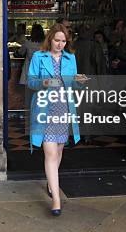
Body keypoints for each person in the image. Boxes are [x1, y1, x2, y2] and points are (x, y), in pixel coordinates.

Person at [27, 23, 88, 216]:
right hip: (45, 109)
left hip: (64, 109)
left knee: (59, 150)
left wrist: (80, 82)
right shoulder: (39, 57)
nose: (60, 44)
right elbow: (30, 82)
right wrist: (43, 82)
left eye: (63, 41)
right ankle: (56, 199)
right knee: (51, 153)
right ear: (50, 39)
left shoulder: (71, 58)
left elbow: (73, 87)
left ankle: (50, 182)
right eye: (57, 40)